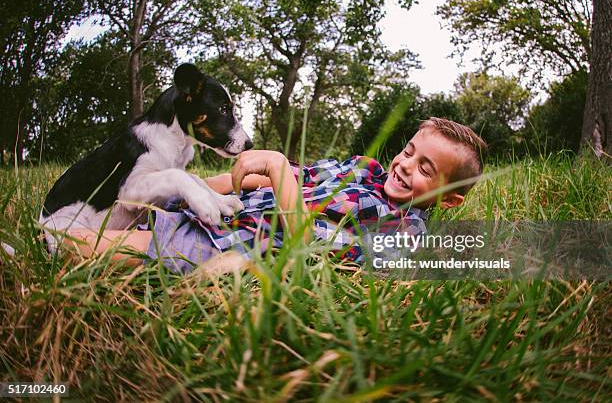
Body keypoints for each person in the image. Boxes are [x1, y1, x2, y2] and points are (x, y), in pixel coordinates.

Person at [66, 117, 487, 273]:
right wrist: (194, 188)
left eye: (426, 168)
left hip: (223, 242)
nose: (406, 165)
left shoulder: (403, 231)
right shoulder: (366, 169)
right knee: (109, 208)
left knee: (87, 247)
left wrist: (275, 165)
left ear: (449, 199)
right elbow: (290, 178)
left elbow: (306, 244)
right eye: (408, 151)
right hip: (217, 206)